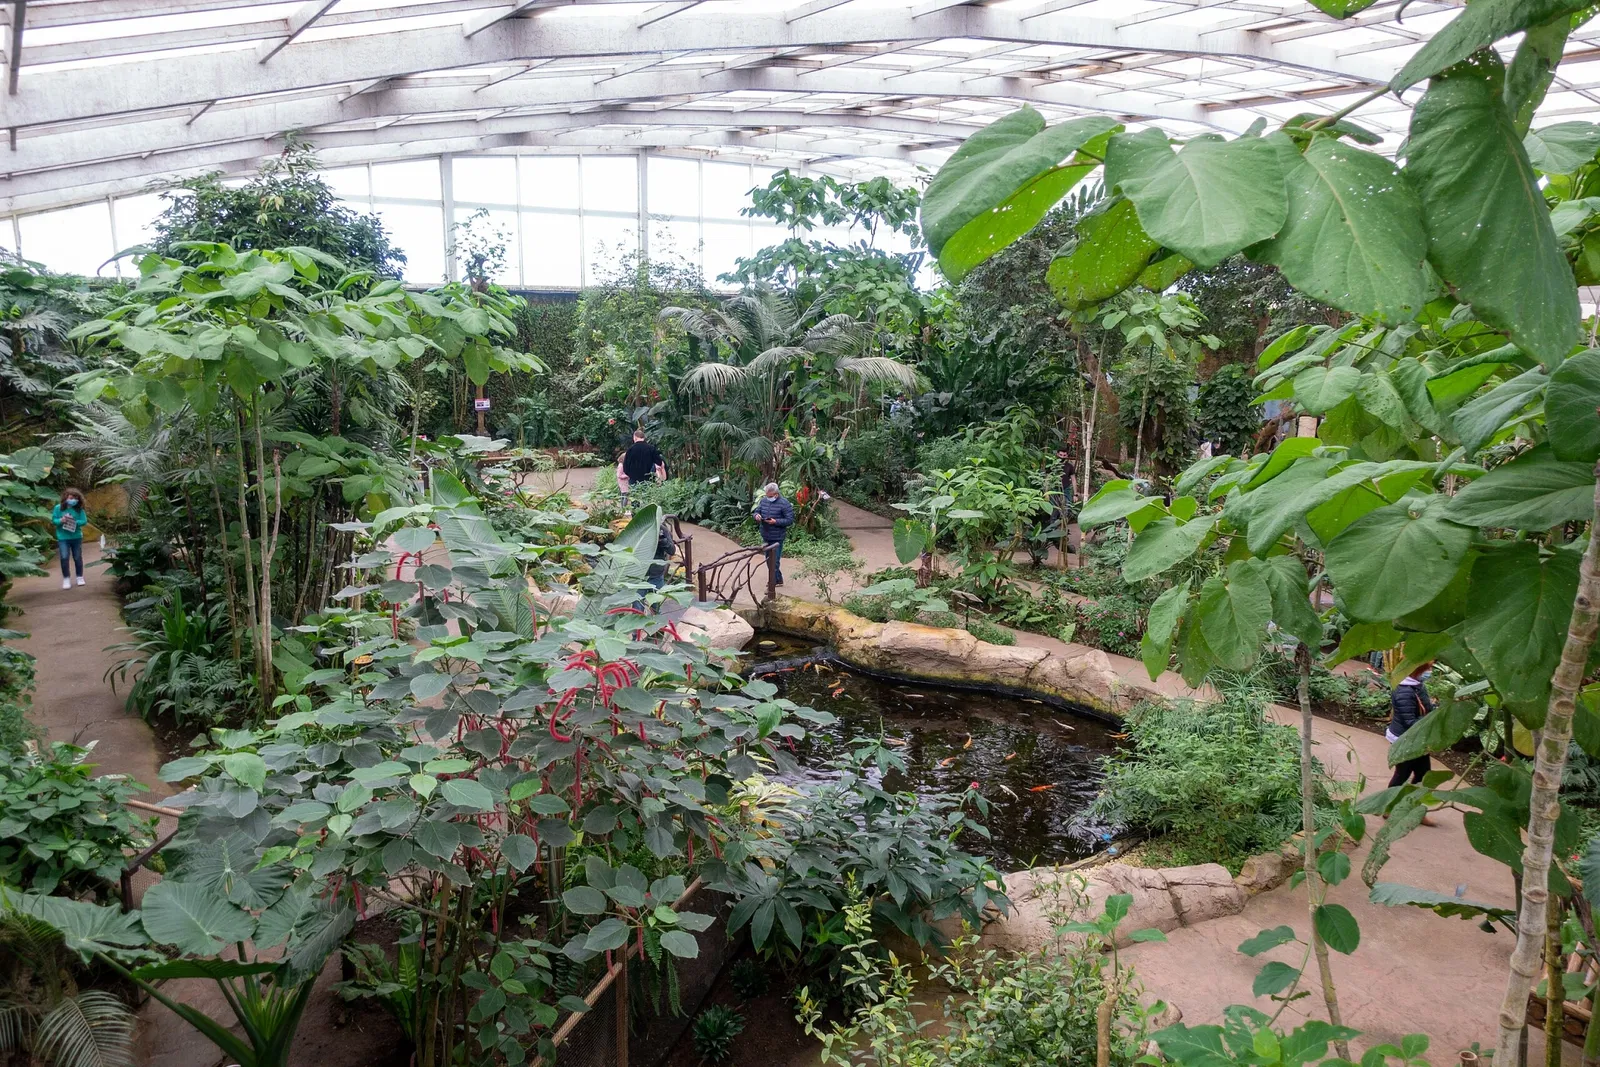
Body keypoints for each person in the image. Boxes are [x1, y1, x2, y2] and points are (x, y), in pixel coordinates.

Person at [1386, 663, 1439, 822]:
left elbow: (1424, 708)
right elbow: (1410, 722)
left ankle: (1414, 809)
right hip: (1405, 741)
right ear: (1417, 670)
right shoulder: (1404, 691)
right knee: (1402, 774)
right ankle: (1388, 807)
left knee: (1423, 775)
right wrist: (1433, 720)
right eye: (1427, 669)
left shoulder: (1416, 685)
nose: (1429, 672)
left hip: (1417, 740)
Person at [751, 482, 795, 587]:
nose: (768, 498)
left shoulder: (784, 503)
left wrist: (776, 522)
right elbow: (757, 511)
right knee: (768, 560)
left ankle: (773, 582)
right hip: (766, 535)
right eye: (767, 495)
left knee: (774, 561)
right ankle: (778, 579)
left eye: (770, 496)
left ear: (776, 494)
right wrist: (756, 516)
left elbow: (789, 520)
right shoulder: (763, 501)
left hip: (777, 537)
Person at [619, 428, 665, 510]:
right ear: (643, 437)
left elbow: (625, 466)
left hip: (634, 478)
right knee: (646, 497)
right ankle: (646, 513)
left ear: (635, 437)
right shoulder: (651, 448)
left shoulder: (630, 450)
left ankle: (635, 513)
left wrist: (630, 474)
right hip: (647, 477)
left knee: (635, 497)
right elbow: (659, 462)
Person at [52, 488, 87, 589]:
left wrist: (75, 522)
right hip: (63, 537)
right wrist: (61, 520)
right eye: (71, 498)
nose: (73, 500)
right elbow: (54, 520)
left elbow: (84, 521)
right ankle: (66, 578)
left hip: (76, 537)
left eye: (76, 498)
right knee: (64, 557)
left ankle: (79, 576)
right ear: (66, 497)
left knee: (77, 557)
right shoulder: (58, 508)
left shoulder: (79, 509)